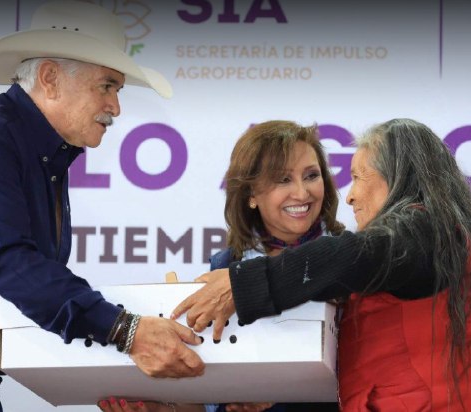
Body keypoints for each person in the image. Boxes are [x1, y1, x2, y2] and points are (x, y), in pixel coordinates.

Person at [0, 2, 204, 411]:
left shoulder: (41, 155)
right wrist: (126, 332)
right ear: (49, 78)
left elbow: (33, 283)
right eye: (107, 86)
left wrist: (118, 346)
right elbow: (12, 265)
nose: (116, 107)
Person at [172, 119, 471, 411]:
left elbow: (354, 256)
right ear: (249, 195)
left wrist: (242, 285)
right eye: (282, 179)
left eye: (359, 176)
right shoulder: (413, 239)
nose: (350, 195)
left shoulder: (424, 229)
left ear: (399, 176)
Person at [99, 121, 343, 412]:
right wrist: (164, 409)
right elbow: (208, 393)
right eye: (283, 180)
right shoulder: (224, 266)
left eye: (311, 175)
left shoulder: (352, 256)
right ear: (251, 194)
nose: (302, 193)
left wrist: (281, 390)